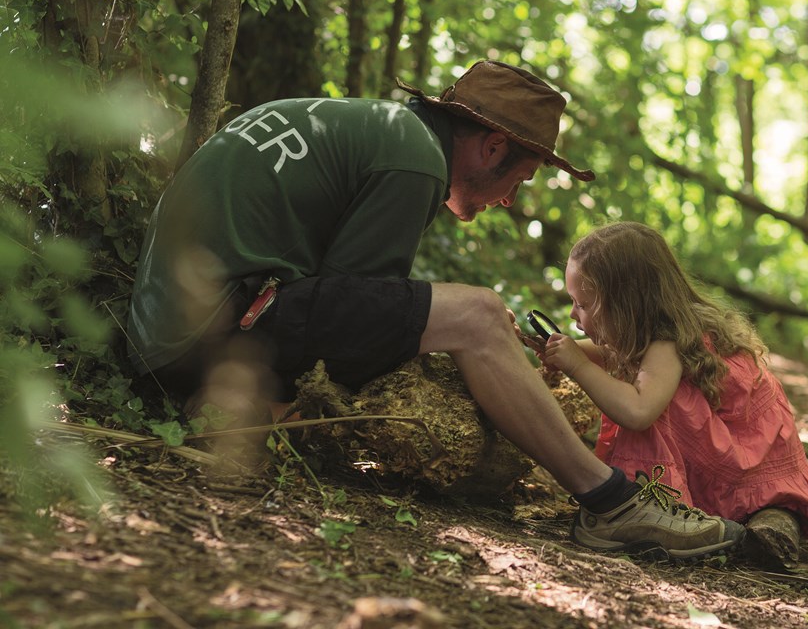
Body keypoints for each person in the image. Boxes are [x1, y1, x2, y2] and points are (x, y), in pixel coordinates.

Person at [126, 60, 744, 561]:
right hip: (212, 326)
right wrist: (468, 338)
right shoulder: (413, 158)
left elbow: (351, 303)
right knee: (478, 314)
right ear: (492, 146)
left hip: (177, 331)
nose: (508, 199)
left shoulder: (383, 130)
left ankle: (243, 408)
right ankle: (611, 502)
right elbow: (358, 313)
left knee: (462, 316)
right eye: (520, 179)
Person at [540, 221, 808, 564]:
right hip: (744, 451)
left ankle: (650, 504)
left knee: (652, 408)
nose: (573, 314)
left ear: (626, 304)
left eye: (583, 304)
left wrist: (577, 366)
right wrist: (569, 350)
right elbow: (616, 353)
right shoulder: (668, 326)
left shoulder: (666, 342)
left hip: (738, 462)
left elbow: (638, 411)